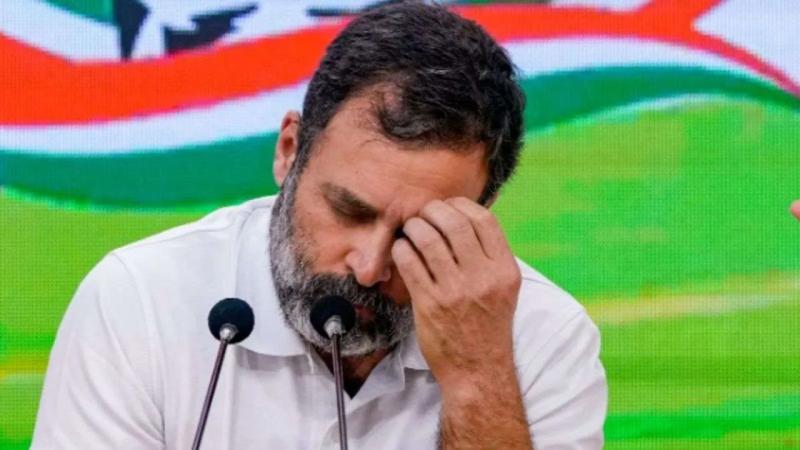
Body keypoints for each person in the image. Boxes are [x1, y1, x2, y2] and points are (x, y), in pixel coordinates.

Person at [31, 3, 607, 449]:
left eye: (415, 234)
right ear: (290, 151)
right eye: (348, 211)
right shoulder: (141, 298)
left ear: (480, 215)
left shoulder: (541, 335)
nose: (369, 267)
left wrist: (478, 377)